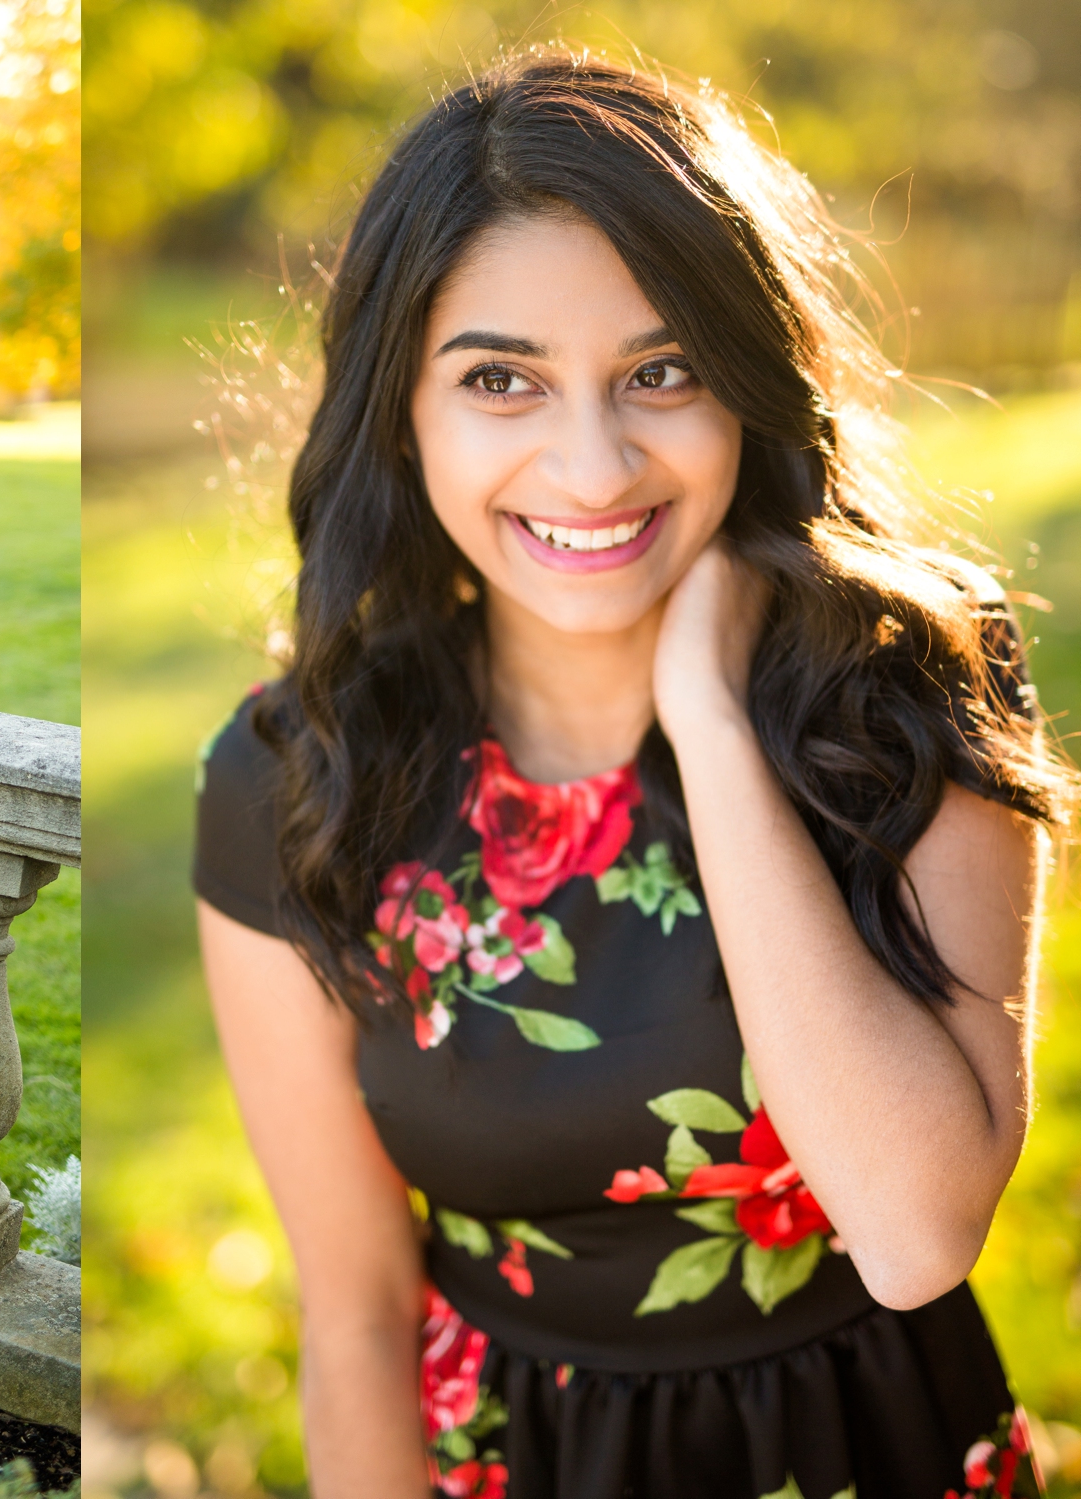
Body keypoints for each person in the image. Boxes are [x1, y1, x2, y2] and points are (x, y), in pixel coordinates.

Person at [193, 54, 1063, 1498]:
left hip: (871, 1444)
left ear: (748, 377)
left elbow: (915, 1229)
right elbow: (351, 1312)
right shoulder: (297, 772)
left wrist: (710, 721)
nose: (592, 467)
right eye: (500, 379)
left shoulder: (903, 680)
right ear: (400, 411)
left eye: (661, 371)